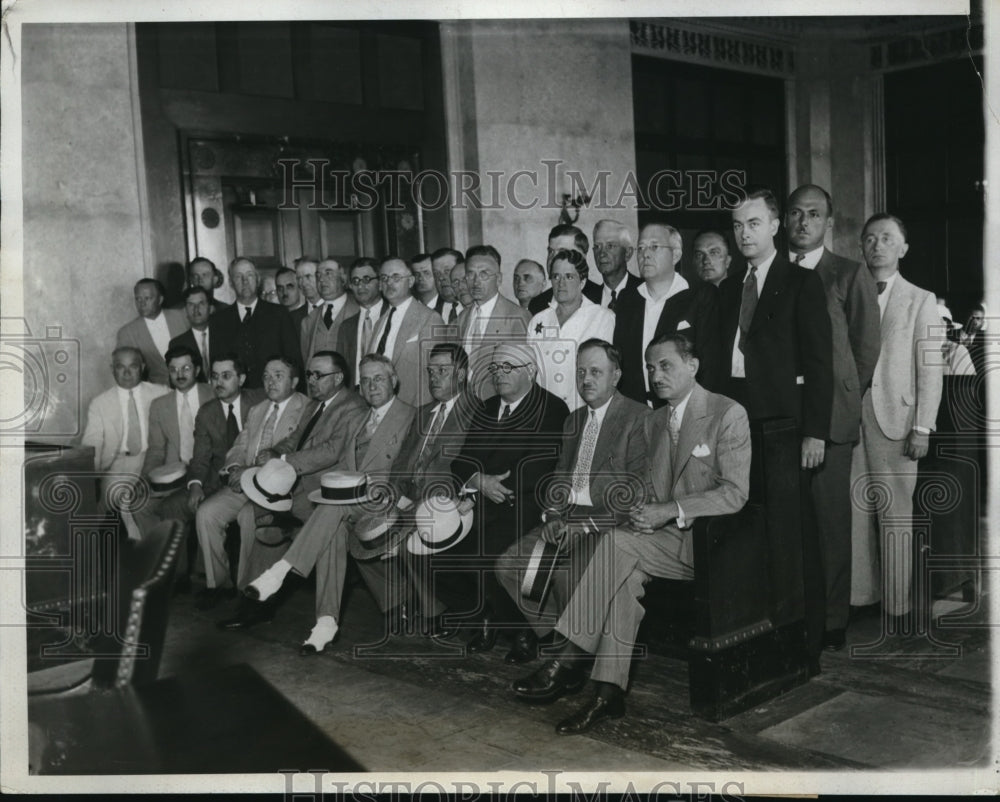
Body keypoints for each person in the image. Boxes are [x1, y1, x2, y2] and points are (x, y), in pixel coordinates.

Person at [512, 332, 750, 735]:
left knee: (616, 544)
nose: (656, 375)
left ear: (693, 366)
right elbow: (643, 486)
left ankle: (568, 659)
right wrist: (642, 512)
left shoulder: (727, 413)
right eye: (651, 368)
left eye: (666, 366)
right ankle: (608, 692)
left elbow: (735, 494)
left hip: (708, 545)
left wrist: (668, 511)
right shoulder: (654, 420)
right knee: (622, 580)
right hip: (658, 539)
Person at [719, 188, 833, 668]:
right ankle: (758, 635)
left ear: (774, 226)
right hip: (735, 422)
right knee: (746, 529)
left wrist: (815, 433)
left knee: (793, 535)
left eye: (753, 223)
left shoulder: (801, 282)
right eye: (737, 225)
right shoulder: (728, 288)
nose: (744, 233)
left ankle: (805, 643)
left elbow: (820, 364)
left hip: (784, 428)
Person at [244, 355, 417, 655]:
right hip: (355, 500)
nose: (372, 386)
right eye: (366, 380)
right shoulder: (360, 417)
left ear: (394, 380)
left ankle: (280, 571)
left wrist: (395, 493)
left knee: (331, 509)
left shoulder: (410, 416)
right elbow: (343, 462)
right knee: (331, 528)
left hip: (387, 502)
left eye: (379, 378)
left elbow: (412, 467)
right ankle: (325, 623)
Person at [495, 339, 650, 664]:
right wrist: (552, 516)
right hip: (566, 518)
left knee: (566, 576)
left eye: (596, 372)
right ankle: (558, 637)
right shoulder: (574, 420)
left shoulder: (638, 417)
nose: (586, 379)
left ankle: (572, 656)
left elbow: (638, 492)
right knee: (508, 567)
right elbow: (559, 475)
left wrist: (586, 526)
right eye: (580, 372)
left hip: (607, 523)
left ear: (616, 375)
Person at [784, 184, 881, 652]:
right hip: (784, 418)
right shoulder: (774, 273)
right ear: (785, 219)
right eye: (796, 213)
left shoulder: (848, 272)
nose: (803, 221)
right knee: (791, 521)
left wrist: (842, 397)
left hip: (831, 421)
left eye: (813, 213)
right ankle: (795, 614)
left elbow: (866, 348)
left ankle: (832, 620)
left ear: (828, 222)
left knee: (830, 521)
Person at [850, 214, 943, 629]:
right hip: (851, 417)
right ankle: (861, 597)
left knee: (895, 514)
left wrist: (922, 427)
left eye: (887, 238)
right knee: (855, 510)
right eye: (870, 239)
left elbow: (931, 369)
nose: (877, 245)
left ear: (903, 248)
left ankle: (897, 605)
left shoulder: (921, 299)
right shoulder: (849, 294)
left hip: (897, 419)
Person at [452, 342, 569, 656]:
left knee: (482, 556)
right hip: (482, 500)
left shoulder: (552, 408)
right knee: (446, 552)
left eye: (508, 367)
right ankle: (488, 615)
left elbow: (537, 469)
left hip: (525, 505)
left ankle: (522, 630)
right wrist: (479, 481)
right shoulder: (487, 407)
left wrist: (488, 486)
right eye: (495, 368)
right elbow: (461, 461)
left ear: (530, 371)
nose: (498, 374)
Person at [193, 356, 309, 610]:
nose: (270, 382)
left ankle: (248, 590)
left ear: (294, 381)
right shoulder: (258, 409)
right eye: (266, 376)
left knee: (249, 517)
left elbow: (291, 453)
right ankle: (218, 584)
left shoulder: (306, 409)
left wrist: (250, 470)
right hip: (246, 481)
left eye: (278, 376)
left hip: (278, 490)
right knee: (206, 513)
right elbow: (240, 445)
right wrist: (235, 467)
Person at [134, 345, 214, 538]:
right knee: (139, 504)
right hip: (174, 476)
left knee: (182, 508)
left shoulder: (213, 394)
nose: (179, 374)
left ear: (197, 370)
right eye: (173, 369)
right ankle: (161, 554)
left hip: (209, 472)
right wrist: (144, 479)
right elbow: (156, 450)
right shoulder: (159, 405)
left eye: (186, 368)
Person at [80, 347, 170, 519]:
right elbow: (92, 444)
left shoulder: (161, 392)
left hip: (154, 460)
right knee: (100, 508)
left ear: (142, 367)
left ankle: (148, 536)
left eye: (133, 366)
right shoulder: (99, 404)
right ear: (112, 369)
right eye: (121, 367)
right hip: (118, 466)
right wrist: (89, 479)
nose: (127, 373)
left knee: (134, 502)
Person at [612, 222, 693, 407]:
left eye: (654, 247)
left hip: (682, 407)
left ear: (676, 255)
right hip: (635, 410)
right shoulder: (628, 300)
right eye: (641, 248)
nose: (645, 254)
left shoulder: (698, 296)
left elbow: (709, 365)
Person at [528, 249, 615, 410]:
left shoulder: (602, 317)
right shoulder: (538, 320)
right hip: (544, 411)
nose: (561, 283)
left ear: (582, 282)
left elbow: (605, 373)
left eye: (569, 277)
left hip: (583, 410)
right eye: (556, 276)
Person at [210, 257, 301, 389]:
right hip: (235, 395)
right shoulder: (218, 320)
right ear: (231, 283)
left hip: (273, 392)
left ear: (257, 279)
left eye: (249, 275)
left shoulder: (279, 314)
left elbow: (293, 360)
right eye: (238, 276)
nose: (245, 281)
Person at [367, 257, 447, 407]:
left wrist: (424, 413)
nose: (389, 283)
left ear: (410, 281)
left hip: (414, 408)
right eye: (384, 278)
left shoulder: (429, 318)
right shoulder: (379, 322)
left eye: (396, 277)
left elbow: (436, 374)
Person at [455, 245, 531, 400]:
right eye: (470, 274)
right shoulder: (460, 319)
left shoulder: (517, 317)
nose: (476, 282)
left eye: (484, 274)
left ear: (499, 279)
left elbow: (522, 377)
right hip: (464, 407)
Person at [116, 278, 188, 385]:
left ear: (160, 300)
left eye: (147, 298)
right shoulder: (127, 333)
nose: (142, 304)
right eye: (138, 299)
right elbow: (124, 370)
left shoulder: (183, 316)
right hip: (157, 389)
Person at [687, 230, 732, 393]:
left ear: (728, 260)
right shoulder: (685, 302)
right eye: (699, 255)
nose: (706, 261)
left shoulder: (743, 297)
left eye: (714, 252)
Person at [529, 224, 602, 315]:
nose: (553, 259)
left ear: (582, 257)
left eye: (562, 252)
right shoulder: (537, 304)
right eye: (551, 251)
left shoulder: (602, 299)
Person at [300, 258, 358, 366]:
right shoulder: (308, 321)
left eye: (328, 273)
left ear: (343, 278)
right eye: (318, 276)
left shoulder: (359, 310)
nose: (321, 279)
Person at [339, 257, 387, 385]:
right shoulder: (346, 327)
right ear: (350, 286)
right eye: (355, 281)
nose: (360, 286)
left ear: (380, 283)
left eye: (367, 279)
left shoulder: (393, 316)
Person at [592, 219, 641, 312]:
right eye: (597, 246)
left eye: (610, 246)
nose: (602, 253)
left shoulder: (646, 292)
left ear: (627, 253)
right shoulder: (587, 300)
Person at [168, 286, 213, 382]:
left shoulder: (224, 336)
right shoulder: (177, 344)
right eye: (191, 305)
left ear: (210, 308)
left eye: (201, 303)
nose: (196, 309)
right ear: (185, 311)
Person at [431, 247, 464, 323]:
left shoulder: (477, 310)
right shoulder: (430, 316)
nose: (441, 277)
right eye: (436, 273)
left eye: (447, 271)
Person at [276, 266, 308, 330]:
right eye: (280, 288)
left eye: (289, 287)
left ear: (299, 287)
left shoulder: (309, 316)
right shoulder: (275, 319)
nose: (284, 292)